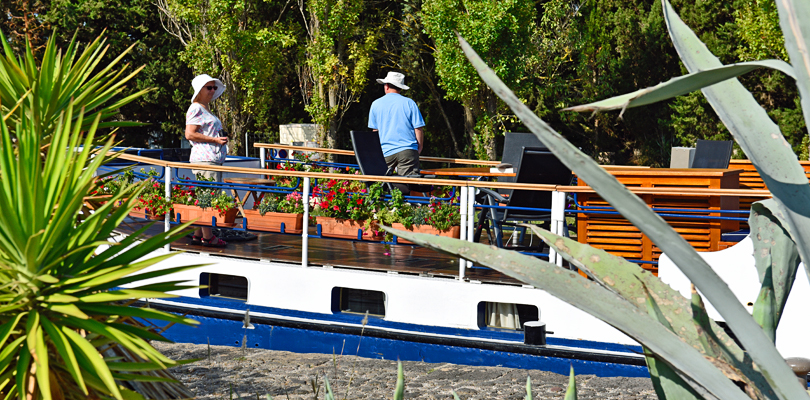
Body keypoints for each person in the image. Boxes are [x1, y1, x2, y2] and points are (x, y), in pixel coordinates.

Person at [186, 74, 228, 247]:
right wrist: (215, 141)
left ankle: (197, 234)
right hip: (206, 161)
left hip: (210, 160)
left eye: (214, 88)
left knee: (204, 197)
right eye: (208, 87)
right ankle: (208, 236)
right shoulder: (196, 108)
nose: (212, 91)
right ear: (199, 90)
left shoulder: (204, 108)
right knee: (208, 198)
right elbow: (190, 133)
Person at [368, 71, 425, 177]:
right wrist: (419, 148)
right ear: (400, 88)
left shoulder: (375, 104)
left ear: (387, 86)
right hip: (407, 150)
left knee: (383, 183)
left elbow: (375, 132)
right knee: (409, 183)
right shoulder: (409, 103)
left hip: (385, 151)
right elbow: (418, 128)